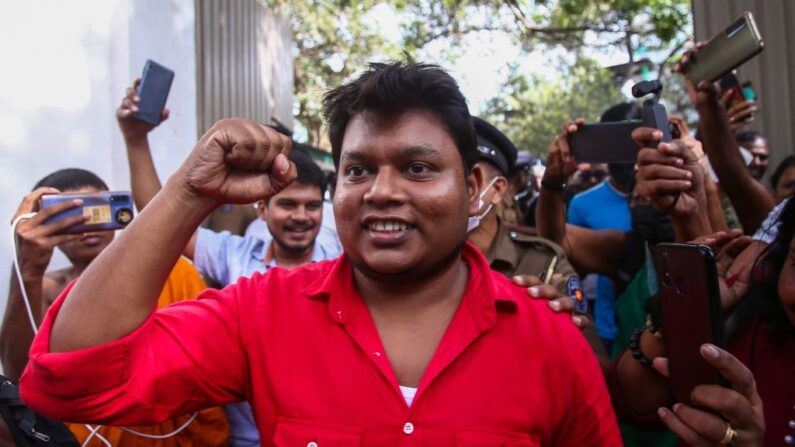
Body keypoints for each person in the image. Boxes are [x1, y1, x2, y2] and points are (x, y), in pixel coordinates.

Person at [20, 61, 621, 445]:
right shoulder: (259, 314)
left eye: (417, 168)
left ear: (471, 192)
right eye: (358, 169)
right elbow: (70, 382)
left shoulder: (552, 340)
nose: (382, 192)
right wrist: (188, 191)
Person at [116, 81, 340, 446]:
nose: (302, 217)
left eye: (312, 206)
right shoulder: (234, 255)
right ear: (262, 208)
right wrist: (135, 140)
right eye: (288, 205)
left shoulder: (342, 267)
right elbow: (163, 221)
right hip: (246, 438)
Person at [0, 169, 229, 446]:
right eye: (68, 216)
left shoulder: (166, 273)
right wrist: (27, 270)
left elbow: (206, 353)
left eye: (96, 210)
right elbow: (18, 377)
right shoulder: (45, 287)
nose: (88, 224)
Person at [566, 102, 639, 354]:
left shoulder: (671, 195)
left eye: (632, 141)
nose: (624, 152)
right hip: (610, 330)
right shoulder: (582, 204)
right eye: (616, 141)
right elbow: (571, 270)